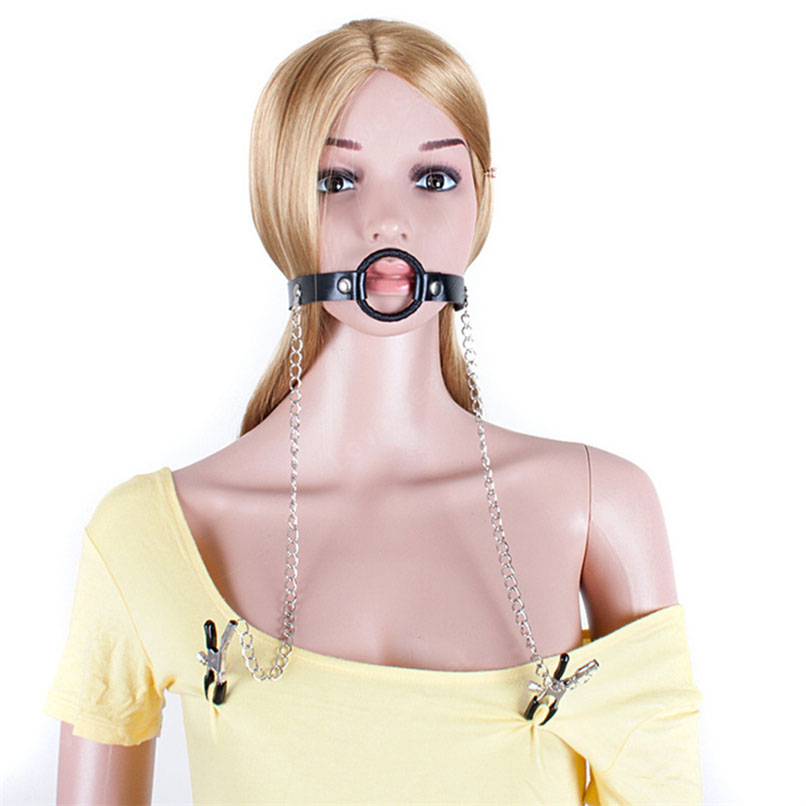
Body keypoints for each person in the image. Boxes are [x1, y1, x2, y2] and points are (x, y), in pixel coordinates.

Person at [44, 18, 703, 804]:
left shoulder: (597, 507)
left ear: (481, 200)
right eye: (337, 180)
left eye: (434, 178)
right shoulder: (151, 535)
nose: (389, 220)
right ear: (277, 198)